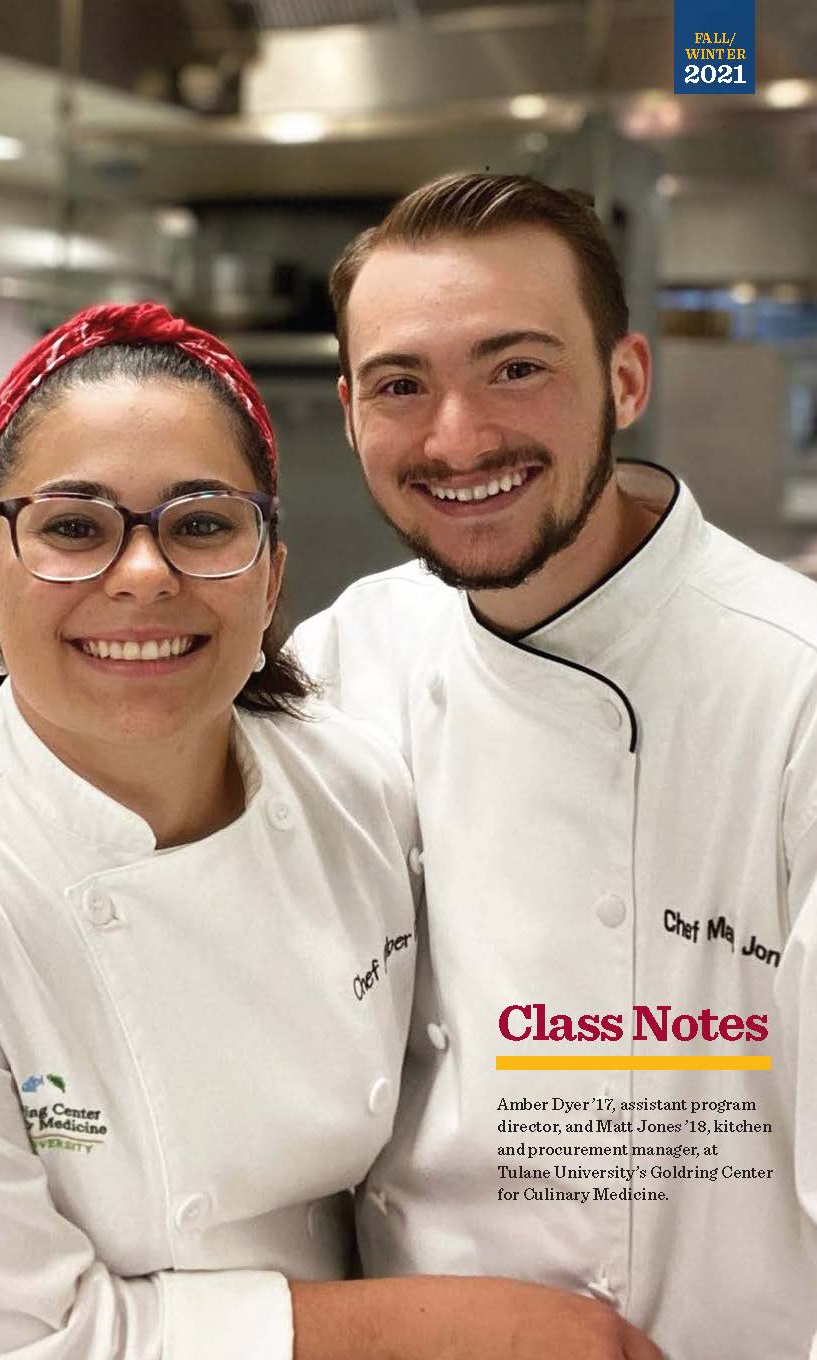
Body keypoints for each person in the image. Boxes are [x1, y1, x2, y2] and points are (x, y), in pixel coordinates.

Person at [0, 299, 662, 1360]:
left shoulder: (353, 790)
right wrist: (482, 1330)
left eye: (199, 524)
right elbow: (27, 1348)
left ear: (269, 574)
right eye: (74, 527)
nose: (142, 574)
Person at [293, 173, 817, 1360]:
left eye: (515, 366)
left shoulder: (794, 693)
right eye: (399, 385)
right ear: (346, 409)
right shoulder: (333, 664)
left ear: (626, 378)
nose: (457, 436)